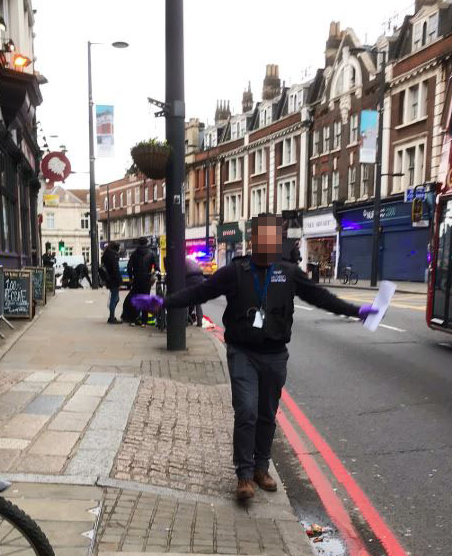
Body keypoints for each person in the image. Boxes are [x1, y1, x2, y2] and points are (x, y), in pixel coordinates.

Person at [134, 213, 377, 502]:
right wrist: (163, 303)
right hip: (243, 353)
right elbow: (199, 292)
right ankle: (244, 475)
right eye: (262, 236)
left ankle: (262, 468)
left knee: (266, 415)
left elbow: (321, 297)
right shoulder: (235, 272)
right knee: (247, 411)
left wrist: (355, 311)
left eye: (273, 237)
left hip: (275, 355)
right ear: (253, 239)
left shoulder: (288, 272)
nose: (267, 242)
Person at [127, 237, 158, 326]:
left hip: (136, 279)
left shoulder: (134, 253)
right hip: (146, 279)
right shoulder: (151, 253)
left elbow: (129, 267)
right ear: (147, 243)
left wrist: (130, 278)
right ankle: (144, 322)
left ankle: (133, 320)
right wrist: (153, 275)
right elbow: (156, 267)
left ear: (139, 243)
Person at [102, 241, 122, 324]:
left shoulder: (106, 255)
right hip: (114, 280)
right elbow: (115, 270)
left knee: (115, 298)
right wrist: (119, 281)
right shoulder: (113, 256)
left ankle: (111, 315)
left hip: (109, 279)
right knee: (114, 299)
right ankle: (111, 317)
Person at [185, 255, 204, 327]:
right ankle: (200, 322)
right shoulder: (191, 261)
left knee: (186, 300)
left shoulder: (180, 262)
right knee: (198, 302)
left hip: (190, 278)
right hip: (200, 278)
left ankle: (185, 321)